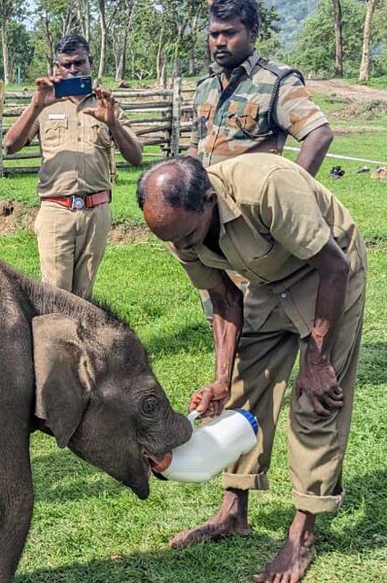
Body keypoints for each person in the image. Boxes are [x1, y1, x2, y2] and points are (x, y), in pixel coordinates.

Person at [137, 154, 366, 583]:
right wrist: (222, 379)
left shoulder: (268, 187)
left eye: (187, 236)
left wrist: (316, 360)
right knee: (243, 392)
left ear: (208, 200)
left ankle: (303, 533)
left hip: (329, 272)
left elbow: (334, 265)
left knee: (316, 399)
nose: (183, 249)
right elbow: (225, 299)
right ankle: (233, 511)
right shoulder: (179, 228)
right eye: (172, 240)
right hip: (269, 282)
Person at [2, 33, 143, 299]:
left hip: (97, 210)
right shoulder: (45, 103)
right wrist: (35, 105)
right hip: (56, 210)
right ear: (56, 67)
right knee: (55, 295)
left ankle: (80, 341)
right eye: (66, 65)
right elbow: (10, 146)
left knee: (84, 297)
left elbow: (136, 157)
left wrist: (112, 123)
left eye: (79, 63)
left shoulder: (106, 104)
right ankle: (54, 341)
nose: (72, 70)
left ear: (90, 62)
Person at [189, 0, 333, 175]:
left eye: (229, 33)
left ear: (253, 33)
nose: (219, 42)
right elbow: (195, 146)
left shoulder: (277, 82)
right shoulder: (206, 86)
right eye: (214, 34)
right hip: (207, 199)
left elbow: (320, 134)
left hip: (250, 199)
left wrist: (292, 189)